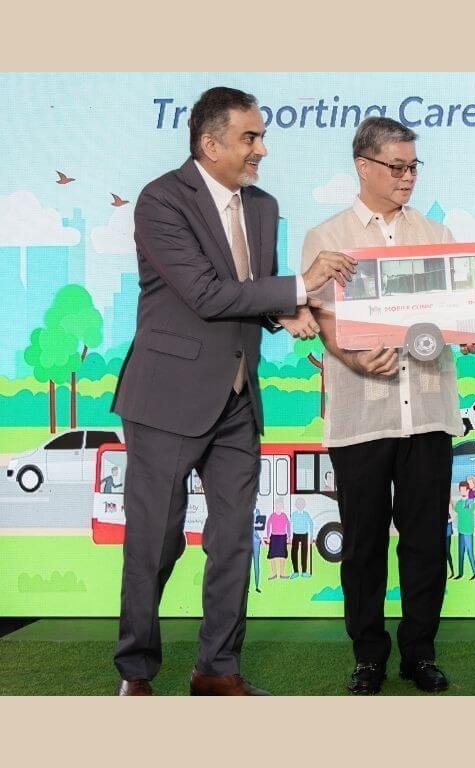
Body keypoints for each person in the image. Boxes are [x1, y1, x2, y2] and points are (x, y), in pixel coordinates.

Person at [110, 86, 355, 696]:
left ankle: (217, 671)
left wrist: (284, 314)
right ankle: (135, 675)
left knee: (232, 542)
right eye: (250, 137)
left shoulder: (263, 206)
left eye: (262, 136)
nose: (262, 150)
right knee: (154, 542)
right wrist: (299, 285)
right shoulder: (162, 200)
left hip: (239, 401)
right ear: (209, 142)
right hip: (166, 402)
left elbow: (249, 290)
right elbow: (206, 294)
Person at [302, 116, 475, 695]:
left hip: (429, 412)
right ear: (365, 167)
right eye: (397, 166)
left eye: (414, 166)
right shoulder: (326, 237)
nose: (407, 177)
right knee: (361, 544)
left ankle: (420, 652)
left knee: (427, 539)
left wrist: (472, 330)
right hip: (361, 416)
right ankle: (368, 655)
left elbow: (462, 310)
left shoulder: (436, 236)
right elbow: (321, 320)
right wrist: (353, 359)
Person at [451, 481, 475, 580]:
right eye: (461, 490)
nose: (463, 492)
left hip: (468, 531)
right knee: (460, 552)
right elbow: (454, 515)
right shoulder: (459, 503)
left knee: (470, 552)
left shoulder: (470, 502)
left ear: (468, 490)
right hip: (461, 531)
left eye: (464, 490)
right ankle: (460, 573)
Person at [265, 504, 290, 581]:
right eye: (276, 507)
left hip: (282, 537)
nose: (278, 508)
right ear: (275, 507)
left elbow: (288, 525)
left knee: (282, 555)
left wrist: (288, 536)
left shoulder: (284, 516)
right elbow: (268, 525)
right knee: (272, 556)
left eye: (279, 507)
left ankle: (282, 573)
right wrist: (268, 536)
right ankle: (274, 573)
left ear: (282, 507)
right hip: (274, 537)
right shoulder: (272, 516)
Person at [290, 499, 314, 578]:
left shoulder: (306, 514)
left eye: (301, 504)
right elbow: (290, 525)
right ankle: (295, 571)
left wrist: (311, 537)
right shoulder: (294, 514)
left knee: (304, 553)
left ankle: (304, 572)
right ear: (296, 505)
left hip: (304, 535)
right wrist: (289, 536)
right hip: (295, 534)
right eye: (299, 504)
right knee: (294, 553)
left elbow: (311, 523)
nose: (300, 506)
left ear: (304, 505)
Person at [252, 508, 267, 593]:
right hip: (246, 540)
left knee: (256, 563)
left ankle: (257, 586)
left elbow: (260, 527)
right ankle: (246, 588)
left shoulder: (258, 511)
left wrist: (262, 539)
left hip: (256, 541)